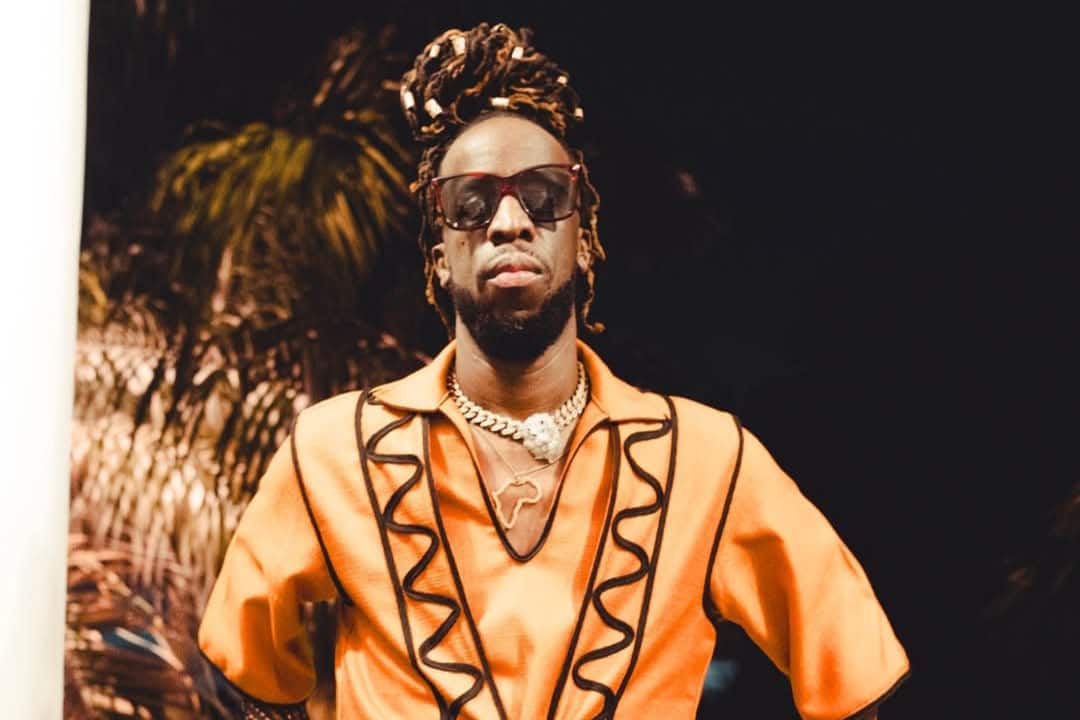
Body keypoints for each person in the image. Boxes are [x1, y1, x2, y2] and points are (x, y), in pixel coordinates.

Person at [197, 22, 910, 720]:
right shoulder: (334, 451)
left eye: (543, 195)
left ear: (584, 238)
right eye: (471, 203)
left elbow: (848, 669)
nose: (509, 222)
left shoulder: (708, 458)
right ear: (439, 256)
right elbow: (250, 670)